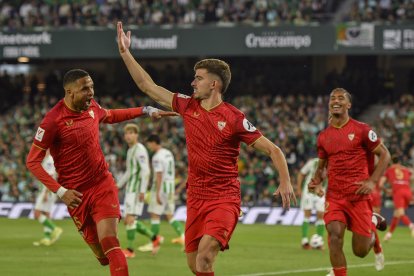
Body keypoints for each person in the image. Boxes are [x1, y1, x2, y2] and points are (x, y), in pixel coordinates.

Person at [117, 22, 296, 276]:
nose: (192, 83)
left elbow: (274, 150)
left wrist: (285, 180)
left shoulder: (234, 118)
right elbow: (148, 86)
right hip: (195, 197)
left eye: (198, 78)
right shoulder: (188, 106)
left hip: (224, 198)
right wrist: (126, 53)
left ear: (214, 84)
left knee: (204, 259)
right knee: (194, 265)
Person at [26, 69, 176, 276]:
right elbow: (32, 162)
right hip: (75, 196)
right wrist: (60, 192)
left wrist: (145, 110)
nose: (91, 92)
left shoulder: (92, 107)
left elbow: (111, 115)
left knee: (111, 242)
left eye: (92, 87)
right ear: (69, 92)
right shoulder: (53, 121)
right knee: (103, 257)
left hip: (102, 185)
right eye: (85, 89)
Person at [309, 88, 390, 276]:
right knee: (334, 236)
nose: (335, 101)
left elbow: (385, 155)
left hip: (358, 197)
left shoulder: (362, 130)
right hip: (335, 196)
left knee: (360, 251)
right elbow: (321, 167)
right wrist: (316, 181)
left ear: (349, 105)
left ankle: (372, 220)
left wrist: (372, 181)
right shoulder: (323, 136)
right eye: (332, 98)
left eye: (340, 98)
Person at [117, 123, 163, 258]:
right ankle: (155, 238)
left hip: (137, 189)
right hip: (130, 189)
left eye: (131, 133)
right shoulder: (130, 150)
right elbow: (129, 171)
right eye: (126, 133)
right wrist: (118, 185)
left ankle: (130, 251)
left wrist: (142, 190)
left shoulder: (140, 149)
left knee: (130, 219)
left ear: (136, 135)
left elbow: (146, 170)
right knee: (128, 220)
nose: (128, 135)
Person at [137, 134, 185, 252]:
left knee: (155, 214)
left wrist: (158, 193)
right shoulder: (168, 153)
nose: (149, 146)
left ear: (153, 142)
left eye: (149, 144)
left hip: (161, 188)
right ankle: (184, 237)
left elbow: (159, 174)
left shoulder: (157, 157)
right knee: (170, 215)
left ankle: (153, 242)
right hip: (170, 187)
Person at [32, 150, 63, 246]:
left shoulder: (49, 160)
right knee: (46, 213)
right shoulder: (47, 160)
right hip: (51, 190)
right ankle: (47, 238)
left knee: (37, 213)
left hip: (47, 190)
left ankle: (54, 228)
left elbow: (51, 176)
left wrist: (46, 192)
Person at [380, 156, 414, 241]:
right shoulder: (405, 169)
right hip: (408, 192)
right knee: (396, 214)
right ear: (399, 162)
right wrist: (410, 188)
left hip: (398, 192)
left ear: (391, 162)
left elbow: (380, 184)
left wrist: (387, 190)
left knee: (400, 213)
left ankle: (411, 226)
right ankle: (388, 235)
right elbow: (412, 176)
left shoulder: (389, 170)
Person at [296, 157, 326, 250]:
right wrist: (299, 188)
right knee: (307, 213)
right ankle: (304, 241)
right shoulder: (313, 162)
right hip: (309, 191)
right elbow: (301, 173)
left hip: (322, 191)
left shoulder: (333, 163)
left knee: (321, 214)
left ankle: (319, 241)